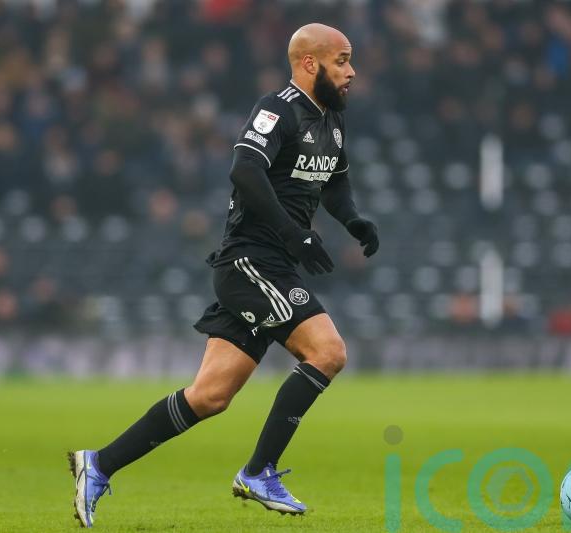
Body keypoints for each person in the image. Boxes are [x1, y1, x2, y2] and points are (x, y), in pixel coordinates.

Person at [68, 23, 379, 527]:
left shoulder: (331, 123)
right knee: (329, 351)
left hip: (269, 265)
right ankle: (259, 471)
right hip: (250, 261)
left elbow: (336, 185)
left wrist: (354, 220)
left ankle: (98, 464)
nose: (351, 71)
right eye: (342, 60)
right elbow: (244, 171)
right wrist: (290, 232)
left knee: (209, 396)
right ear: (308, 63)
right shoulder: (277, 109)